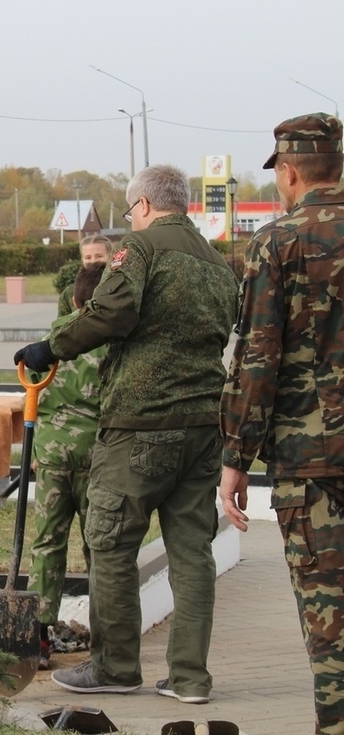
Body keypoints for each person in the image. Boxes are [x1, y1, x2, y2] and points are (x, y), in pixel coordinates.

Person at [14, 164, 236, 703]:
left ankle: (115, 668)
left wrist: (53, 346)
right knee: (192, 553)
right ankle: (190, 678)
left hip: (138, 426)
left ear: (141, 206)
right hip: (204, 427)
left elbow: (112, 310)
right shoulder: (218, 264)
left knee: (110, 544)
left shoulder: (139, 250)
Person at [220, 112, 344, 732]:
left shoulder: (277, 242)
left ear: (289, 172)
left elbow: (258, 359)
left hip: (312, 462)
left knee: (331, 623)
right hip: (313, 459)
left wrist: (235, 458)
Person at [28, 262, 105, 669]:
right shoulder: (113, 343)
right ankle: (106, 639)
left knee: (47, 545)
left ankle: (39, 638)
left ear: (74, 299)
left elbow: (31, 390)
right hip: (98, 460)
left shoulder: (53, 340)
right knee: (101, 549)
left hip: (53, 458)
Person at [57, 234, 112, 316]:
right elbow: (61, 325)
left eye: (99, 256)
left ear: (110, 257)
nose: (93, 261)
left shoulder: (118, 287)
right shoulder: (70, 293)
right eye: (88, 258)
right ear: (82, 260)